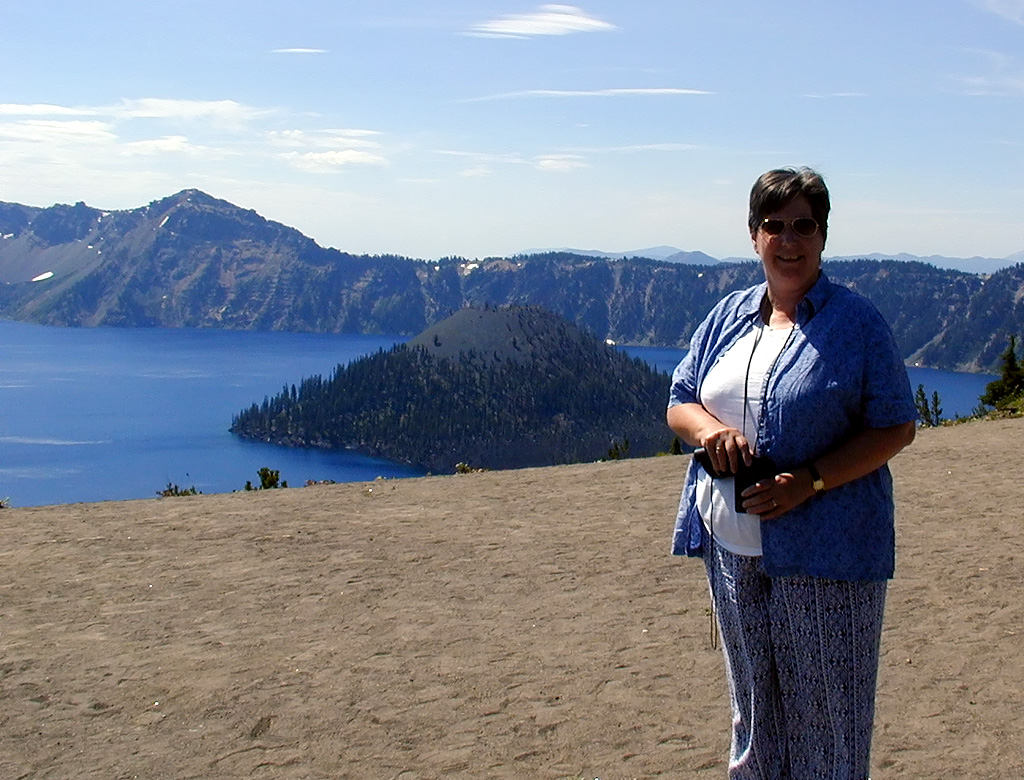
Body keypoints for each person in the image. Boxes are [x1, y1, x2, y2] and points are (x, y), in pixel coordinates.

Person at [666, 167, 917, 779]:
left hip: (827, 554)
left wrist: (812, 480)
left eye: (804, 225)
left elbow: (896, 425)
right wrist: (710, 432)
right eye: (773, 226)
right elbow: (680, 399)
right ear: (753, 236)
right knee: (752, 714)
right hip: (731, 547)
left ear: (823, 235)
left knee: (828, 722)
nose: (789, 239)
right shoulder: (728, 314)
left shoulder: (856, 323)